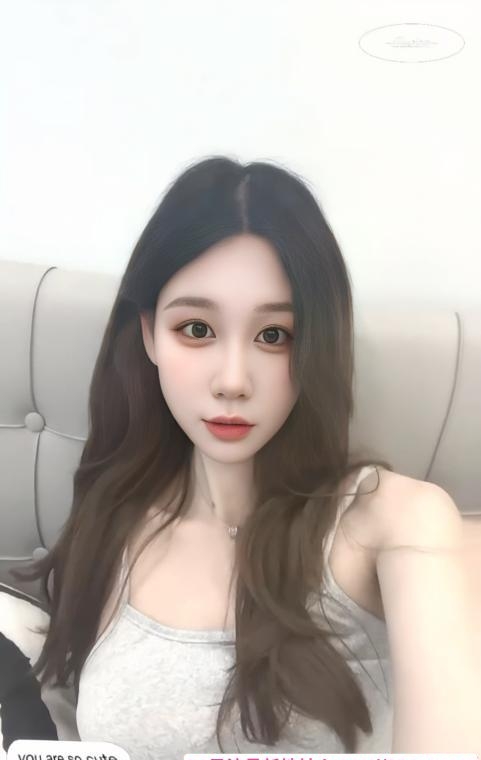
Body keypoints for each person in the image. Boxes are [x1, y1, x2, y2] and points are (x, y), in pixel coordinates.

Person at [15, 156, 481, 757]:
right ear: (150, 333)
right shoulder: (111, 520)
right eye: (197, 329)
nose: (233, 381)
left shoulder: (395, 521)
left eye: (273, 336)